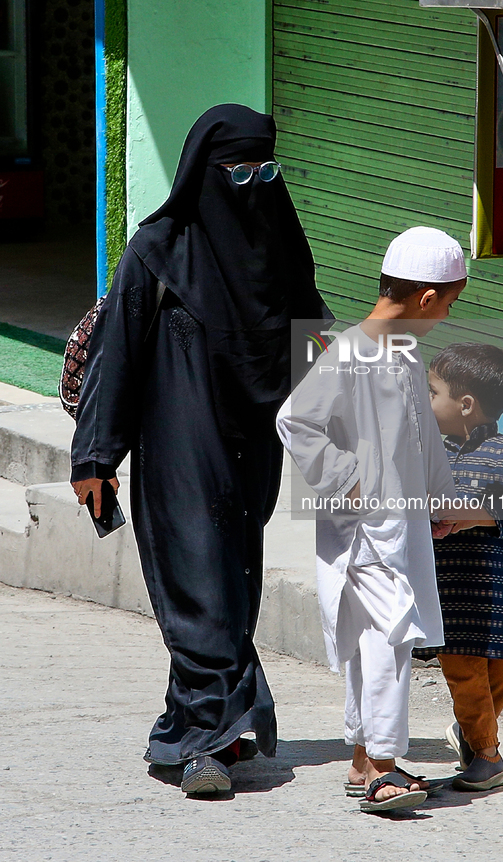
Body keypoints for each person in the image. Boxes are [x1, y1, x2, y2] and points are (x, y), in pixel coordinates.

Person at [70, 104, 329, 796]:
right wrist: (95, 458)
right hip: (178, 443)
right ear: (203, 174)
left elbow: (311, 341)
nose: (253, 186)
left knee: (228, 589)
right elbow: (115, 357)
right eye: (237, 172)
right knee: (201, 587)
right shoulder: (157, 251)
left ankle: (188, 726)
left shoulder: (279, 244)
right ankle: (205, 748)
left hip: (254, 447)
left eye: (265, 171)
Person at [277, 227, 493, 814]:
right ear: (425, 299)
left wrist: (440, 502)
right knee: (389, 637)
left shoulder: (402, 352)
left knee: (376, 638)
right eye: (447, 304)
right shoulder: (350, 351)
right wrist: (353, 483)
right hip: (366, 530)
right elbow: (295, 423)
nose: (445, 316)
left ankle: (362, 762)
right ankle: (384, 766)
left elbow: (420, 441)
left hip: (401, 526)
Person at [423, 343, 503, 791]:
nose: (424, 400)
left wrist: (468, 512)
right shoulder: (425, 454)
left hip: (502, 595)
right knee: (464, 676)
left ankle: (473, 731)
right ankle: (488, 757)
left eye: (431, 390)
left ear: (465, 404)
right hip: (449, 596)